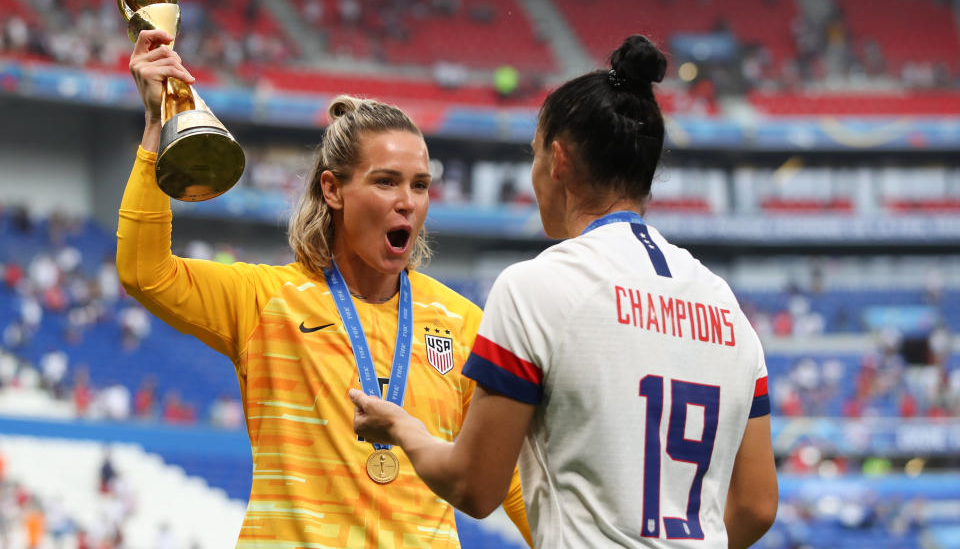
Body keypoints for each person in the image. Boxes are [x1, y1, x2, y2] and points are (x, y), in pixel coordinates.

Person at [350, 35, 778, 548]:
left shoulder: (536, 287)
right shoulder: (728, 307)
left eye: (533, 155)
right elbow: (756, 504)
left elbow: (474, 485)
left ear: (558, 160)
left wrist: (401, 428)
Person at [118, 28, 531, 548]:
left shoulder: (462, 321)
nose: (408, 201)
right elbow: (145, 272)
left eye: (420, 185)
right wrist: (157, 124)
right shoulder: (265, 301)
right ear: (333, 189)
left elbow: (511, 481)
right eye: (386, 182)